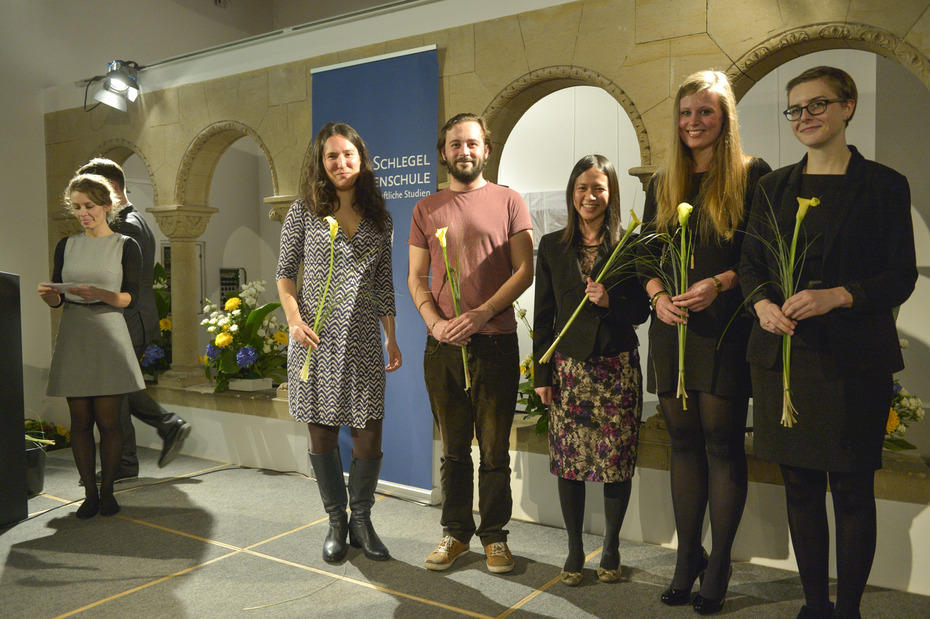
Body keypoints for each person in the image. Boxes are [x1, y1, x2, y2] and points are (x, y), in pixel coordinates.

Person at [740, 66, 916, 619]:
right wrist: (764, 304)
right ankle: (815, 605)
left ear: (848, 107)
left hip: (852, 364)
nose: (805, 117)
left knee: (852, 492)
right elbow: (751, 265)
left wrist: (837, 295)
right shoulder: (772, 189)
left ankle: (849, 610)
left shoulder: (884, 184)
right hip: (784, 361)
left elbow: (900, 276)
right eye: (795, 109)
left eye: (817, 105)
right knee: (798, 489)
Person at [640, 70, 771, 614]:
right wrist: (656, 296)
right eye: (686, 113)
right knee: (682, 443)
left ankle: (719, 562)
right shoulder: (662, 182)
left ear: (725, 120)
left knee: (721, 444)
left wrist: (717, 282)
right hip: (672, 328)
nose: (693, 122)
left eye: (705, 113)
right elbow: (646, 255)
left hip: (723, 328)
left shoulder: (750, 173)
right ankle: (686, 556)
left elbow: (758, 256)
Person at [408, 112, 533, 574]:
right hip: (442, 347)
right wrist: (435, 323)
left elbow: (525, 271)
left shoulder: (509, 201)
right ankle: (455, 533)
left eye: (472, 143)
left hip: (495, 343)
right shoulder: (426, 208)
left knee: (495, 449)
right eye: (455, 144)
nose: (465, 151)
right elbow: (416, 277)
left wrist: (481, 313)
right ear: (444, 152)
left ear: (486, 149)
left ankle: (495, 537)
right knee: (455, 449)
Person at [277, 122, 402, 563]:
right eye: (332, 156)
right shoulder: (302, 211)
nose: (341, 163)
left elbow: (384, 282)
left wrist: (392, 336)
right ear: (321, 162)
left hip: (366, 339)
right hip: (316, 341)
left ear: (361, 159)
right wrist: (294, 322)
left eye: (348, 155)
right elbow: (285, 273)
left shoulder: (380, 218)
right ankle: (335, 521)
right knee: (323, 436)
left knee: (368, 436)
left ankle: (362, 521)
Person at [532, 155, 650, 586]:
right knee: (570, 465)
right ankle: (575, 549)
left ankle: (613, 545)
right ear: (572, 192)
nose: (589, 196)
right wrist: (541, 376)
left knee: (616, 464)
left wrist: (609, 303)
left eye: (598, 188)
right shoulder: (551, 246)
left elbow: (642, 310)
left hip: (617, 370)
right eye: (582, 188)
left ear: (611, 194)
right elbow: (543, 316)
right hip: (568, 373)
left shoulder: (630, 245)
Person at [76, 158, 191, 478]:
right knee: (120, 388)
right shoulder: (131, 220)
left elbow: (114, 278)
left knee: (114, 390)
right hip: (130, 318)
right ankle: (158, 434)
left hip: (126, 318)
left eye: (91, 196)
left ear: (110, 188)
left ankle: (134, 454)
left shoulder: (125, 225)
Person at [39, 174, 146, 518]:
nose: (83, 213)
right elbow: (58, 300)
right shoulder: (66, 245)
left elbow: (130, 298)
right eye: (77, 207)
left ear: (105, 206)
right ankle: (89, 493)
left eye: (89, 206)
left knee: (109, 420)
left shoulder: (126, 245)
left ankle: (109, 491)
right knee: (80, 420)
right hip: (74, 331)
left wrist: (100, 294)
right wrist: (52, 297)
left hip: (109, 332)